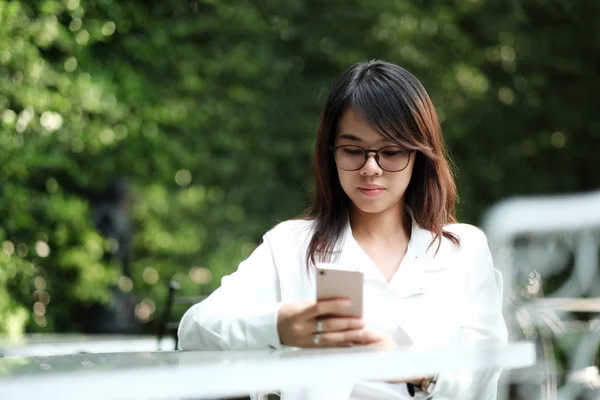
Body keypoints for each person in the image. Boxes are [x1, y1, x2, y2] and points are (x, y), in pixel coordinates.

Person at [178, 60, 508, 399]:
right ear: (331, 152)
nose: (370, 168)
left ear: (419, 155)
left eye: (391, 152)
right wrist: (279, 326)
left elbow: (484, 372)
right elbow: (196, 328)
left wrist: (411, 366)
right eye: (353, 151)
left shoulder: (463, 251)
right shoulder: (291, 246)